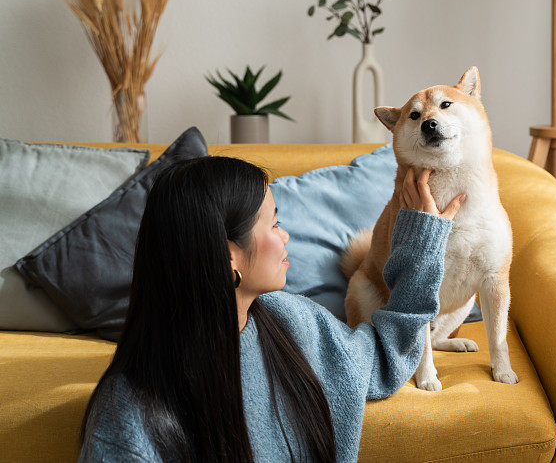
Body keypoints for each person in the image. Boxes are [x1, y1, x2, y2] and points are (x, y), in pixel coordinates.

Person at [78, 155, 466, 463]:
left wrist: (422, 240)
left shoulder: (292, 320)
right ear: (229, 255)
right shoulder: (128, 418)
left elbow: (380, 360)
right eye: (275, 224)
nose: (286, 237)